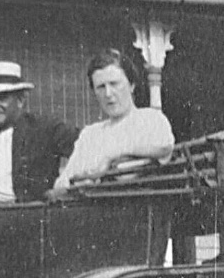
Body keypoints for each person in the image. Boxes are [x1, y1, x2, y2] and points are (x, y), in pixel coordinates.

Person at [0, 60, 78, 204]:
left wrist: (63, 187)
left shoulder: (46, 130)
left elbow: (87, 151)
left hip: (33, 215)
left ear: (20, 100)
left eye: (2, 98)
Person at [53, 49, 175, 192]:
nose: (108, 94)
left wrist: (111, 155)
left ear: (131, 85)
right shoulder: (90, 134)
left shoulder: (150, 119)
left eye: (114, 84)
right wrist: (71, 182)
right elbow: (64, 180)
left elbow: (165, 146)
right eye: (101, 87)